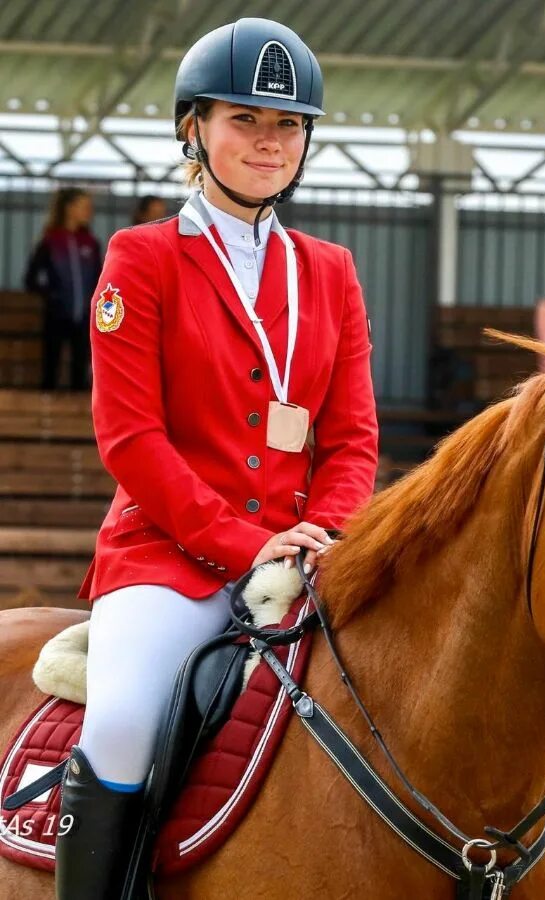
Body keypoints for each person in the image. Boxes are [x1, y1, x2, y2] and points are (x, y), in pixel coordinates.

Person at [54, 18, 379, 899]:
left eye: (289, 126)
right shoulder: (141, 258)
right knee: (121, 723)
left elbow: (351, 439)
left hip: (304, 554)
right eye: (246, 120)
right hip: (169, 556)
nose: (270, 144)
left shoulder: (333, 272)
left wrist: (325, 529)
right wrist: (241, 544)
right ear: (193, 128)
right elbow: (130, 440)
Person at [24, 187, 102, 390]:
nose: (89, 211)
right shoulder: (50, 241)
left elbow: (100, 280)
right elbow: (31, 278)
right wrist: (52, 296)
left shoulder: (91, 243)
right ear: (69, 208)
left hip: (85, 317)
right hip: (56, 315)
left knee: (80, 370)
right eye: (84, 207)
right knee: (51, 366)